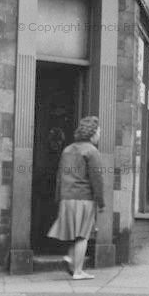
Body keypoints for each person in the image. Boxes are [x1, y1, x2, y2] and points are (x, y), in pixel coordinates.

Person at [47, 116, 105, 280]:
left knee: (74, 232)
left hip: (66, 197)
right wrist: (100, 201)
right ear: (92, 133)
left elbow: (60, 176)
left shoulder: (67, 149)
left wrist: (59, 197)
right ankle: (78, 271)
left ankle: (71, 259)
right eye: (99, 130)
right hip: (84, 197)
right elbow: (97, 179)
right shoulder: (92, 151)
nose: (100, 134)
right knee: (83, 235)